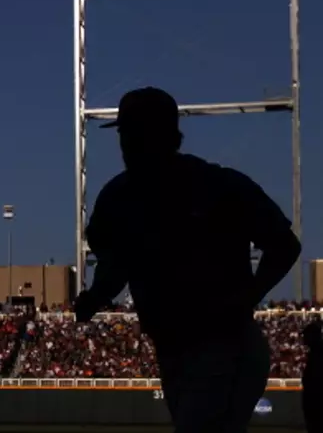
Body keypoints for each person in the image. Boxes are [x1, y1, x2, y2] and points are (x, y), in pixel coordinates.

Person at [73, 87, 301, 433]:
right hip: (173, 348)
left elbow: (285, 244)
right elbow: (116, 262)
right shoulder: (119, 196)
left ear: (165, 134)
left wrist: (246, 299)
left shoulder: (215, 183)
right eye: (126, 133)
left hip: (225, 345)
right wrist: (96, 296)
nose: (128, 143)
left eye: (137, 132)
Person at [303, 321, 323, 433]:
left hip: (317, 408)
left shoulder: (318, 354)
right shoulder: (314, 353)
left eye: (306, 335)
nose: (304, 338)